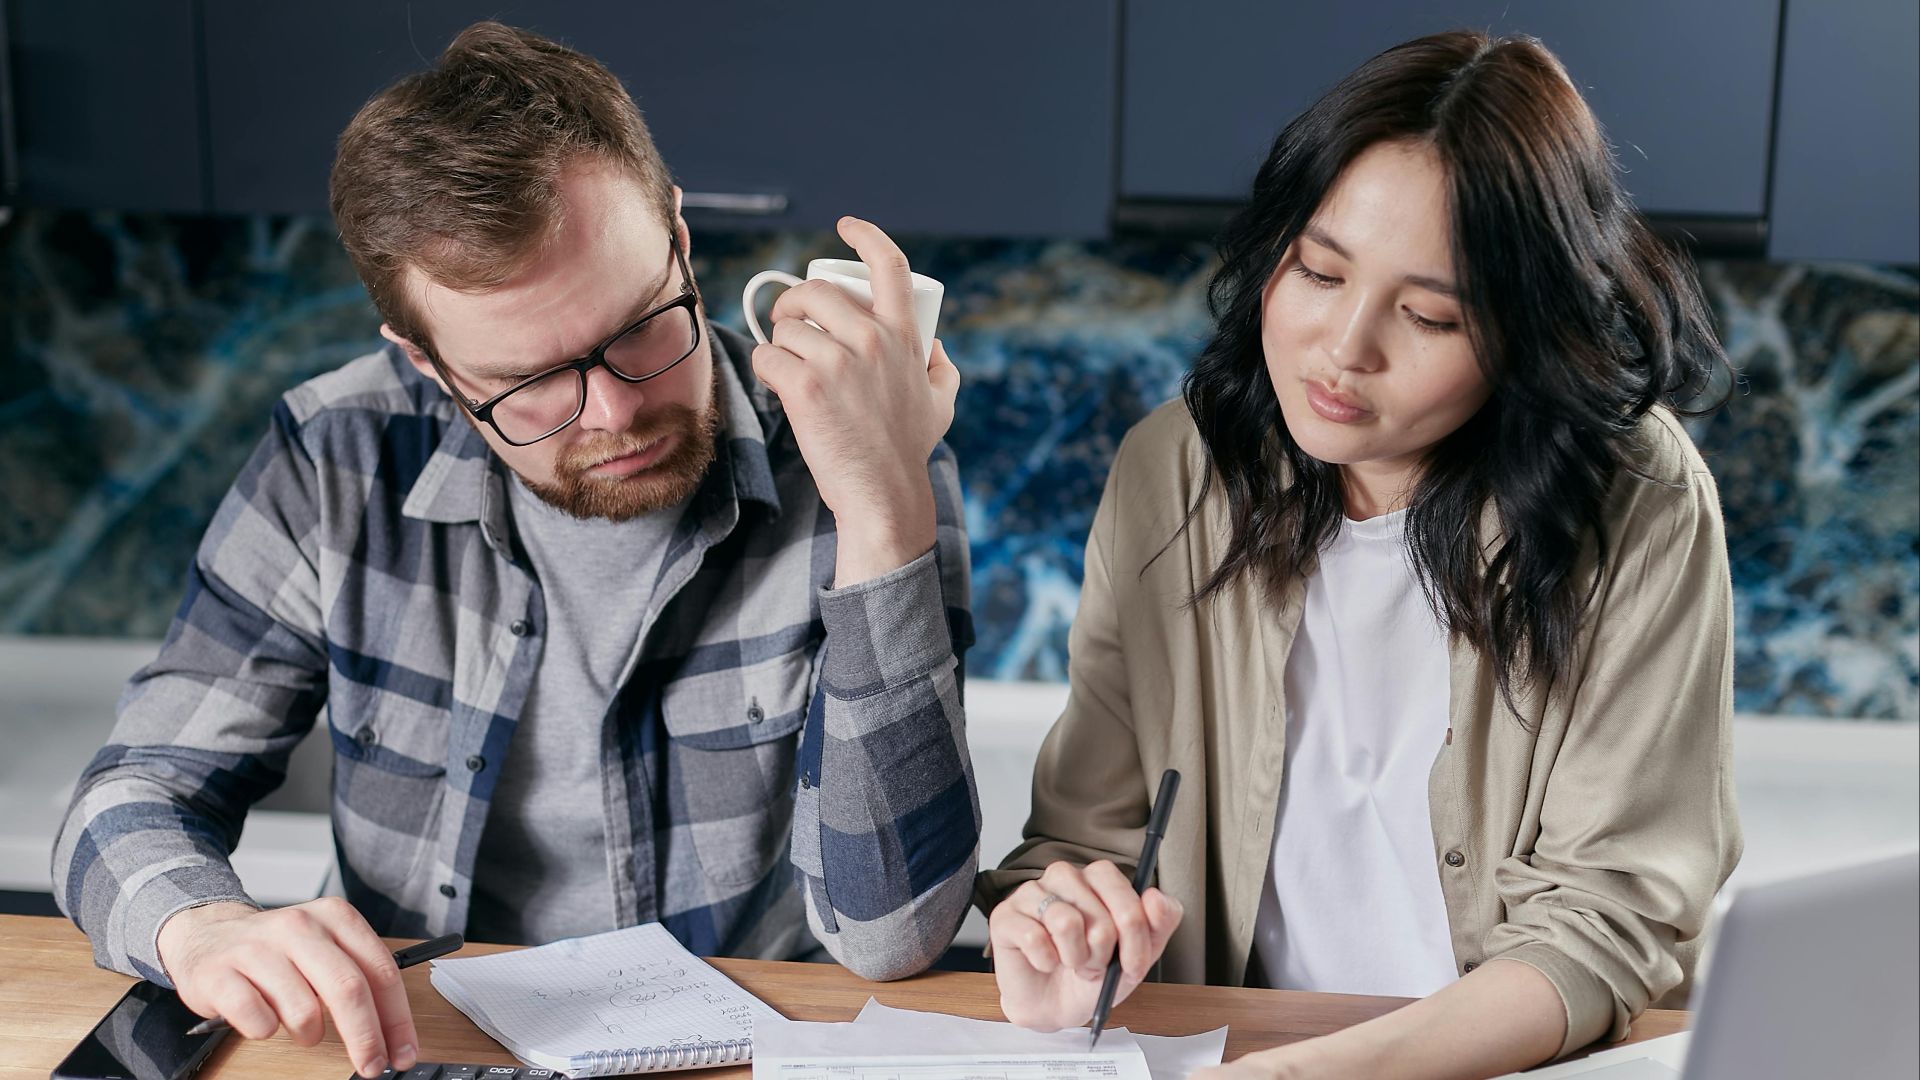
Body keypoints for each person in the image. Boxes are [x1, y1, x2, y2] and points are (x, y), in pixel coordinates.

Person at [52, 22, 979, 1080]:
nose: (616, 412)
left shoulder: (862, 450)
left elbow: (893, 933)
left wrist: (883, 507)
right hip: (423, 1054)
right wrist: (201, 928)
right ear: (428, 363)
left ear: (679, 240)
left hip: (742, 1059)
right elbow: (130, 795)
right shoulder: (336, 456)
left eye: (639, 326)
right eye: (531, 381)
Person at [979, 29, 1740, 1080]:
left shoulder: (1641, 503)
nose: (1344, 349)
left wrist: (1313, 1074)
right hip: (1232, 1053)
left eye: (1428, 315)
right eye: (1320, 271)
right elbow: (1092, 839)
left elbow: (1606, 925)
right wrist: (1064, 943)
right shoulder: (1173, 473)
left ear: (1523, 332)